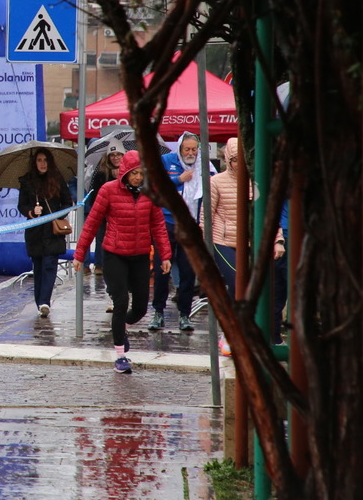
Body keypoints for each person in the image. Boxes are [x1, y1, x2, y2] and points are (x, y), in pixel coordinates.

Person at [74, 150, 172, 374]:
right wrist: (80, 254)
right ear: (125, 172)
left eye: (141, 173)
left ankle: (122, 327)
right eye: (134, 173)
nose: (138, 177)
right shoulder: (108, 190)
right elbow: (92, 222)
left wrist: (165, 255)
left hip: (139, 255)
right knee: (120, 302)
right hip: (115, 254)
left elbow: (158, 224)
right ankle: (120, 355)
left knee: (139, 307)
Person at [209, 138, 284, 354]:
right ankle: (230, 333)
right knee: (237, 281)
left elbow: (269, 214)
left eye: (241, 160)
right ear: (227, 159)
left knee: (256, 287)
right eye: (234, 160)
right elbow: (207, 217)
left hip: (251, 242)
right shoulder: (216, 182)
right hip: (222, 241)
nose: (238, 164)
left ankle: (248, 331)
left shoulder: (256, 181)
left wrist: (277, 240)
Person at [150, 133, 209, 332]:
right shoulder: (166, 161)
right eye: (187, 149)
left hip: (190, 225)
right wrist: (178, 180)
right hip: (166, 222)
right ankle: (158, 312)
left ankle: (185, 314)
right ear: (179, 149)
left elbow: (211, 190)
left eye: (194, 149)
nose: (191, 153)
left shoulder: (204, 165)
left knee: (187, 271)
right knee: (162, 269)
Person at [16, 148, 73, 317]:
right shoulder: (27, 181)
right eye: (39, 160)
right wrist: (32, 212)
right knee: (39, 267)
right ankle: (39, 302)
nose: (42, 163)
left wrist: (57, 214)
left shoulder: (57, 179)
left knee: (49, 265)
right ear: (34, 163)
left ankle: (44, 302)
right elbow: (22, 205)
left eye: (45, 160)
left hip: (53, 231)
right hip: (35, 231)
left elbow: (67, 202)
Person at [86, 142, 124, 311]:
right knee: (109, 261)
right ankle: (113, 295)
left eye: (119, 155)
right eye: (112, 155)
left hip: (125, 223)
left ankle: (124, 293)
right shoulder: (101, 174)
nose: (115, 158)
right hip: (106, 222)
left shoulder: (133, 173)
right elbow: (94, 198)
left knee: (124, 262)